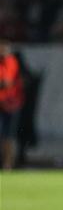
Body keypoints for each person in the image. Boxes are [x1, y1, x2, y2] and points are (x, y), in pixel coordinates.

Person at [0, 40, 25, 170]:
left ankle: (8, 164)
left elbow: (6, 82)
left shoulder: (10, 62)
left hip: (11, 104)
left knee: (8, 136)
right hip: (3, 103)